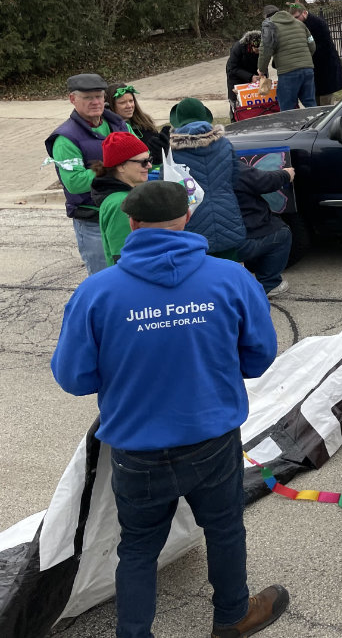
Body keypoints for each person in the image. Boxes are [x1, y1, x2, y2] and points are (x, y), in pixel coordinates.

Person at [50, 180, 289, 638]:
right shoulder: (232, 278)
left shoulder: (96, 293)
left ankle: (134, 633)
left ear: (133, 223)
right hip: (212, 438)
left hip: (136, 446)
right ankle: (232, 617)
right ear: (187, 218)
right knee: (223, 528)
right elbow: (259, 358)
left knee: (138, 546)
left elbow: (72, 378)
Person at [46, 73, 129, 275]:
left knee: (131, 277)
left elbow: (138, 155)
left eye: (99, 96)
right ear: (72, 99)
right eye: (88, 97)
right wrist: (112, 167)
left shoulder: (117, 123)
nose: (96, 102)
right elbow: (74, 182)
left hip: (126, 213)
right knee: (104, 281)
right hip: (93, 221)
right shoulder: (65, 138)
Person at [167, 98, 246, 259]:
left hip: (192, 220)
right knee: (229, 271)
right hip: (228, 216)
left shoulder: (171, 151)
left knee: (199, 275)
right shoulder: (224, 143)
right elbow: (235, 177)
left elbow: (167, 186)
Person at [91, 132, 153, 266]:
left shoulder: (125, 196)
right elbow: (124, 257)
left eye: (149, 160)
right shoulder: (121, 204)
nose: (149, 166)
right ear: (120, 166)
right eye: (143, 162)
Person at [235, 161, 295, 298]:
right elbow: (263, 181)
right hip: (233, 242)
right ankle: (269, 284)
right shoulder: (224, 161)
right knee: (281, 233)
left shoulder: (177, 163)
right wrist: (286, 174)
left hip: (198, 243)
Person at [258, 4, 317, 111]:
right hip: (307, 69)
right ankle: (319, 125)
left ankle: (290, 127)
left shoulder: (270, 27)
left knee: (287, 107)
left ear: (266, 16)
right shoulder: (300, 24)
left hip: (288, 72)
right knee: (310, 103)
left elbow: (265, 50)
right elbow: (312, 44)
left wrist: (261, 69)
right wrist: (304, 60)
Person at [289, 3, 342, 105]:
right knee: (315, 102)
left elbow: (324, 46)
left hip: (325, 69)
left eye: (297, 17)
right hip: (315, 70)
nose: (295, 20)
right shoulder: (302, 25)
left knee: (325, 103)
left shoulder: (318, 24)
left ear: (305, 13)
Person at [107, 84, 168, 166]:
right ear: (110, 105)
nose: (129, 106)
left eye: (131, 101)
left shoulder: (145, 122)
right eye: (122, 103)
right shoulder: (108, 130)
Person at [226, 30, 261, 107]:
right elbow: (233, 68)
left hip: (252, 72)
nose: (258, 52)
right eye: (257, 50)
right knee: (236, 100)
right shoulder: (237, 48)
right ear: (251, 45)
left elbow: (262, 64)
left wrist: (262, 74)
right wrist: (250, 77)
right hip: (235, 75)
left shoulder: (261, 50)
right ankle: (235, 116)